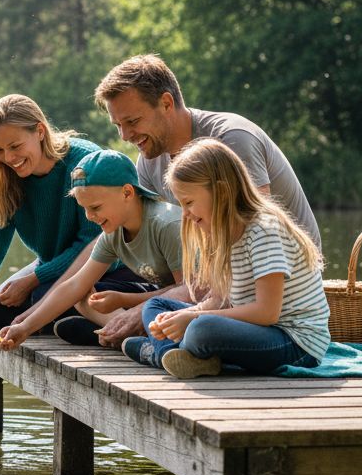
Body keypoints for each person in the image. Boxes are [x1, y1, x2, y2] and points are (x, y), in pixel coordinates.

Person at [91, 54, 321, 344]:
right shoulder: (148, 162)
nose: (125, 135)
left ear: (165, 103)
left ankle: (153, 337)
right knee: (149, 306)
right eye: (117, 125)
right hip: (214, 281)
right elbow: (164, 245)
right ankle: (149, 336)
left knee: (171, 317)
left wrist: (142, 310)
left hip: (271, 285)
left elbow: (250, 231)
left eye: (132, 121)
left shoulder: (232, 139)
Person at [0, 95, 153, 353]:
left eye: (15, 146)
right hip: (53, 266)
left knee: (40, 298)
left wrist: (33, 279)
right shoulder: (8, 179)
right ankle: (84, 326)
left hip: (111, 266)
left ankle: (108, 324)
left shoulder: (84, 164)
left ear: (40, 131)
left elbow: (94, 244)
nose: (8, 157)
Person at [125, 138, 330, 379]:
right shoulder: (220, 231)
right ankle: (176, 356)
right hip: (255, 329)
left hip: (293, 342)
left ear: (221, 192)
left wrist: (194, 317)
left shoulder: (265, 230)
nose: (186, 214)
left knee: (202, 329)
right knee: (157, 306)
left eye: (189, 203)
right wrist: (179, 317)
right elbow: (219, 301)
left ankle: (162, 353)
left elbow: (267, 313)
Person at [0, 149, 183, 350]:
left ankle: (134, 336)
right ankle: (129, 334)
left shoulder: (166, 225)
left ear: (127, 192)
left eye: (96, 207)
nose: (89, 216)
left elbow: (189, 291)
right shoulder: (113, 232)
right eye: (84, 208)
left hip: (192, 305)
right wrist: (24, 328)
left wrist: (129, 300)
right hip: (158, 303)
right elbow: (75, 285)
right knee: (86, 297)